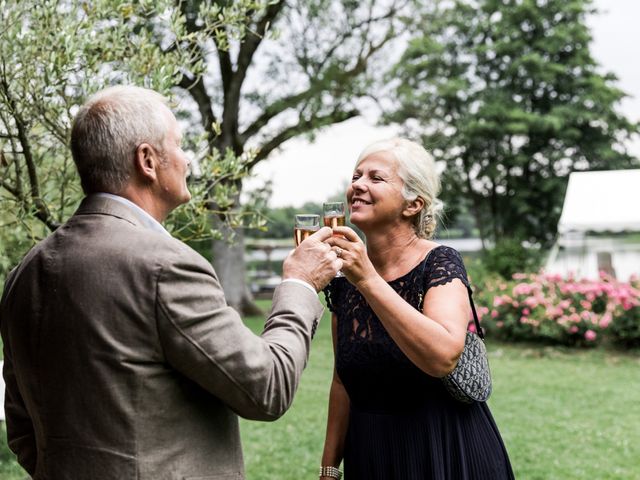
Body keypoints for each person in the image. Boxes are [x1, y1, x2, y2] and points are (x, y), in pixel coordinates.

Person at [0, 85, 342, 480]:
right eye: (179, 145)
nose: (188, 161)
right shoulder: (166, 267)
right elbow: (267, 388)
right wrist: (298, 283)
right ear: (147, 160)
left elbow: (23, 428)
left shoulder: (24, 273)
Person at [318, 138, 514, 479]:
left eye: (376, 178)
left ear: (413, 204)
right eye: (356, 176)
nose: (357, 186)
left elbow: (442, 357)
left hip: (443, 450)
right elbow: (341, 382)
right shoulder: (345, 280)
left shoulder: (439, 263)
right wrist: (329, 468)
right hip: (372, 455)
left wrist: (367, 279)